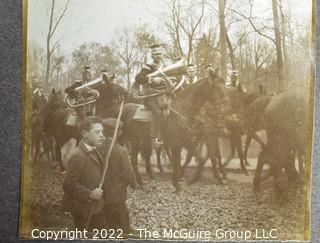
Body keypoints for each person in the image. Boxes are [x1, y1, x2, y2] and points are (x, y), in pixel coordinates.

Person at [62, 116, 106, 231]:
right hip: (83, 210)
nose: (102, 135)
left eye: (102, 132)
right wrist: (89, 194)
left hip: (95, 207)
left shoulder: (94, 150)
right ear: (85, 133)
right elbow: (68, 185)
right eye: (97, 132)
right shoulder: (78, 155)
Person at [98, 118, 138, 234]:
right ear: (119, 132)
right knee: (121, 214)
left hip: (101, 191)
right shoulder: (121, 150)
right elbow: (127, 172)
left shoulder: (97, 148)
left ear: (104, 132)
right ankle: (125, 233)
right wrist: (134, 184)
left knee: (106, 214)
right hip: (117, 191)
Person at [135, 44, 166, 145]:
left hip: (164, 94)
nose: (158, 56)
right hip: (150, 96)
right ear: (152, 56)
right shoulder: (147, 67)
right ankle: (155, 137)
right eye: (156, 54)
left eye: (160, 54)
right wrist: (152, 80)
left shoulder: (166, 67)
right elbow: (138, 78)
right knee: (158, 112)